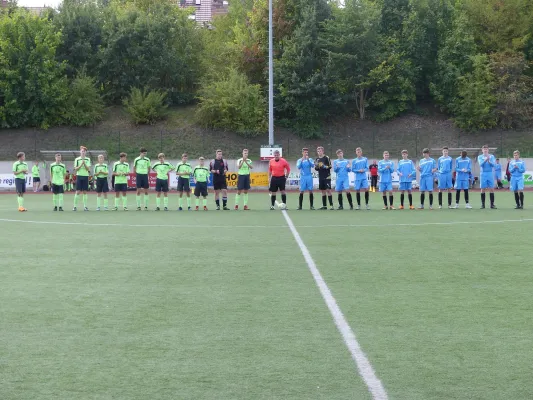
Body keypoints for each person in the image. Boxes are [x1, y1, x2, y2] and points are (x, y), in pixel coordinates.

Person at [477, 144, 497, 209]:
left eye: (486, 149)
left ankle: (492, 204)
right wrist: (485, 160)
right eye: (484, 149)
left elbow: (493, 164)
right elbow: (480, 164)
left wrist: (489, 161)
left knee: (491, 188)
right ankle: (483, 204)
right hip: (483, 173)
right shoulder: (480, 157)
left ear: (488, 150)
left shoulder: (492, 156)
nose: (485, 150)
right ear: (482, 150)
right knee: (482, 189)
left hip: (490, 173)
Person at [73, 146, 91, 211]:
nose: (83, 152)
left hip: (86, 176)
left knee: (85, 191)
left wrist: (84, 164)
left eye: (84, 151)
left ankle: (85, 207)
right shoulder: (77, 159)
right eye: (82, 151)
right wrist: (81, 165)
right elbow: (75, 169)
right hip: (79, 176)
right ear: (80, 152)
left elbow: (88, 169)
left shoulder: (88, 159)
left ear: (86, 152)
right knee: (78, 191)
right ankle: (75, 206)